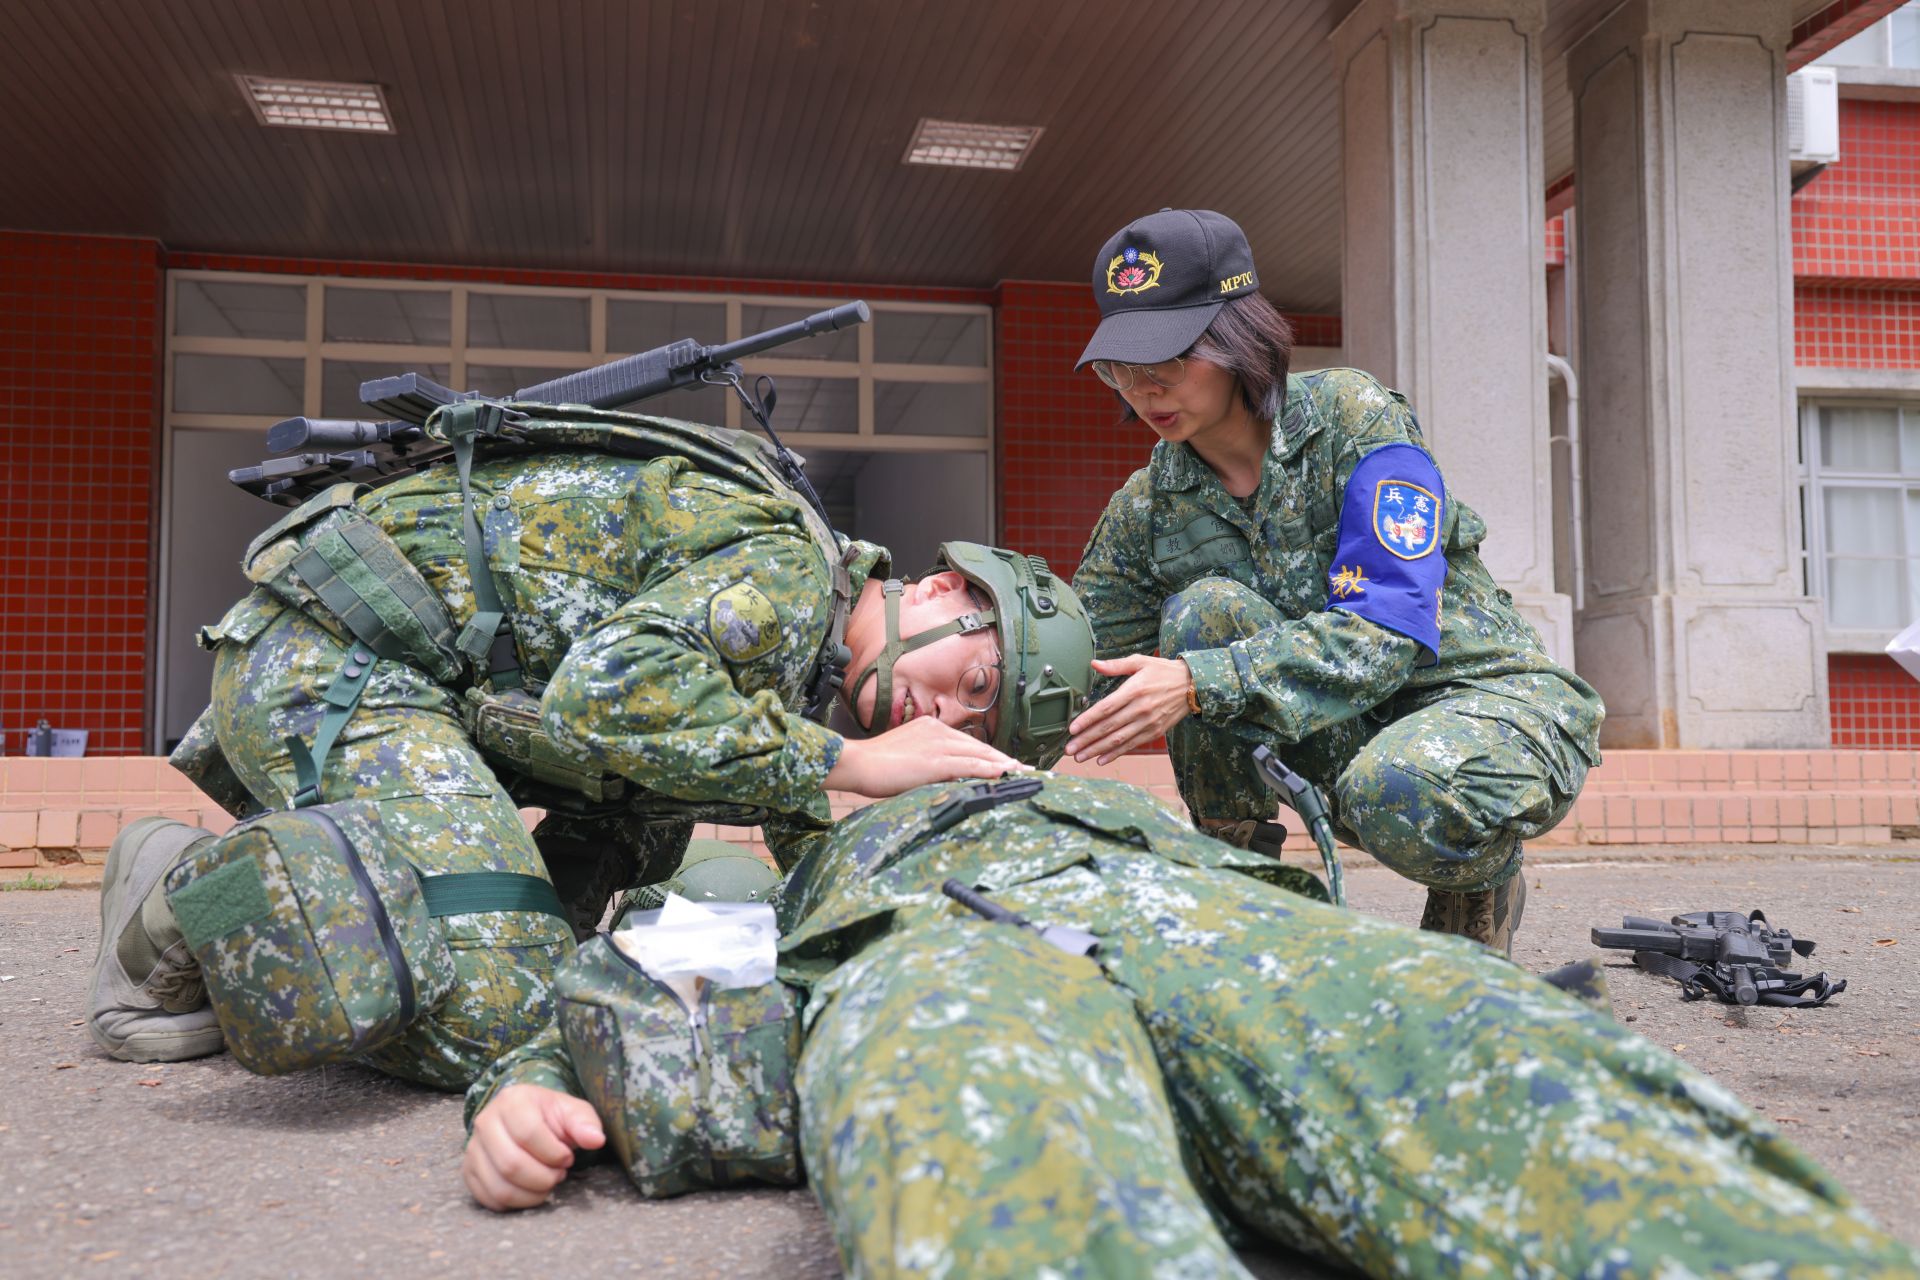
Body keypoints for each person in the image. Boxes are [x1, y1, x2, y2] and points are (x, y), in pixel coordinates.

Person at [458, 772, 1917, 1279]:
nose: (965, 679)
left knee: (1466, 1034)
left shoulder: (1118, 803)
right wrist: (515, 1098)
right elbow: (646, 980)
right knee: (996, 1141)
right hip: (936, 954)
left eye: (991, 659)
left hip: (1202, 921)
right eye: (933, 650)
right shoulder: (779, 858)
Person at [86, 393, 1092, 1090]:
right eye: (971, 684)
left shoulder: (806, 660)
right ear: (942, 591)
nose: (945, 719)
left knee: (645, 834)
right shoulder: (791, 571)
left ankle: (337, 926)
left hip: (407, 686)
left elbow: (802, 851)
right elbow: (609, 699)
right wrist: (854, 763)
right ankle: (183, 892)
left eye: (975, 727)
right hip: (337, 665)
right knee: (501, 1014)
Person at [1065, 207, 1604, 954]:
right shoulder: (1148, 506)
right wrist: (944, 675)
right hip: (1335, 731)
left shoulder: (1351, 417)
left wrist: (1196, 682)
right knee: (1203, 613)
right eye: (1122, 367)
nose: (1146, 387)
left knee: (1398, 787)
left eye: (1172, 357)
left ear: (1236, 336)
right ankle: (1244, 908)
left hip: (1476, 707)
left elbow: (1385, 632)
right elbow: (1074, 661)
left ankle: (1475, 886)